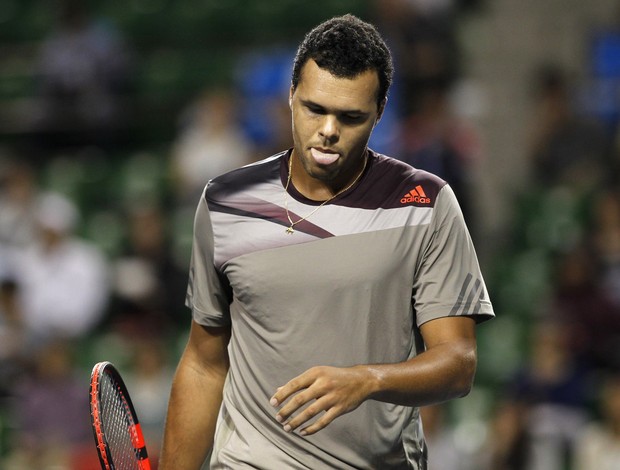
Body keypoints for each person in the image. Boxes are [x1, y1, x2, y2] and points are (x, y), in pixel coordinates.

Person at [159, 14, 494, 469]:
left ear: (379, 112)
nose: (329, 130)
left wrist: (368, 380)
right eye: (316, 108)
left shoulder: (426, 203)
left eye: (350, 116)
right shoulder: (225, 203)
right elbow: (203, 362)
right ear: (291, 97)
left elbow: (458, 362)